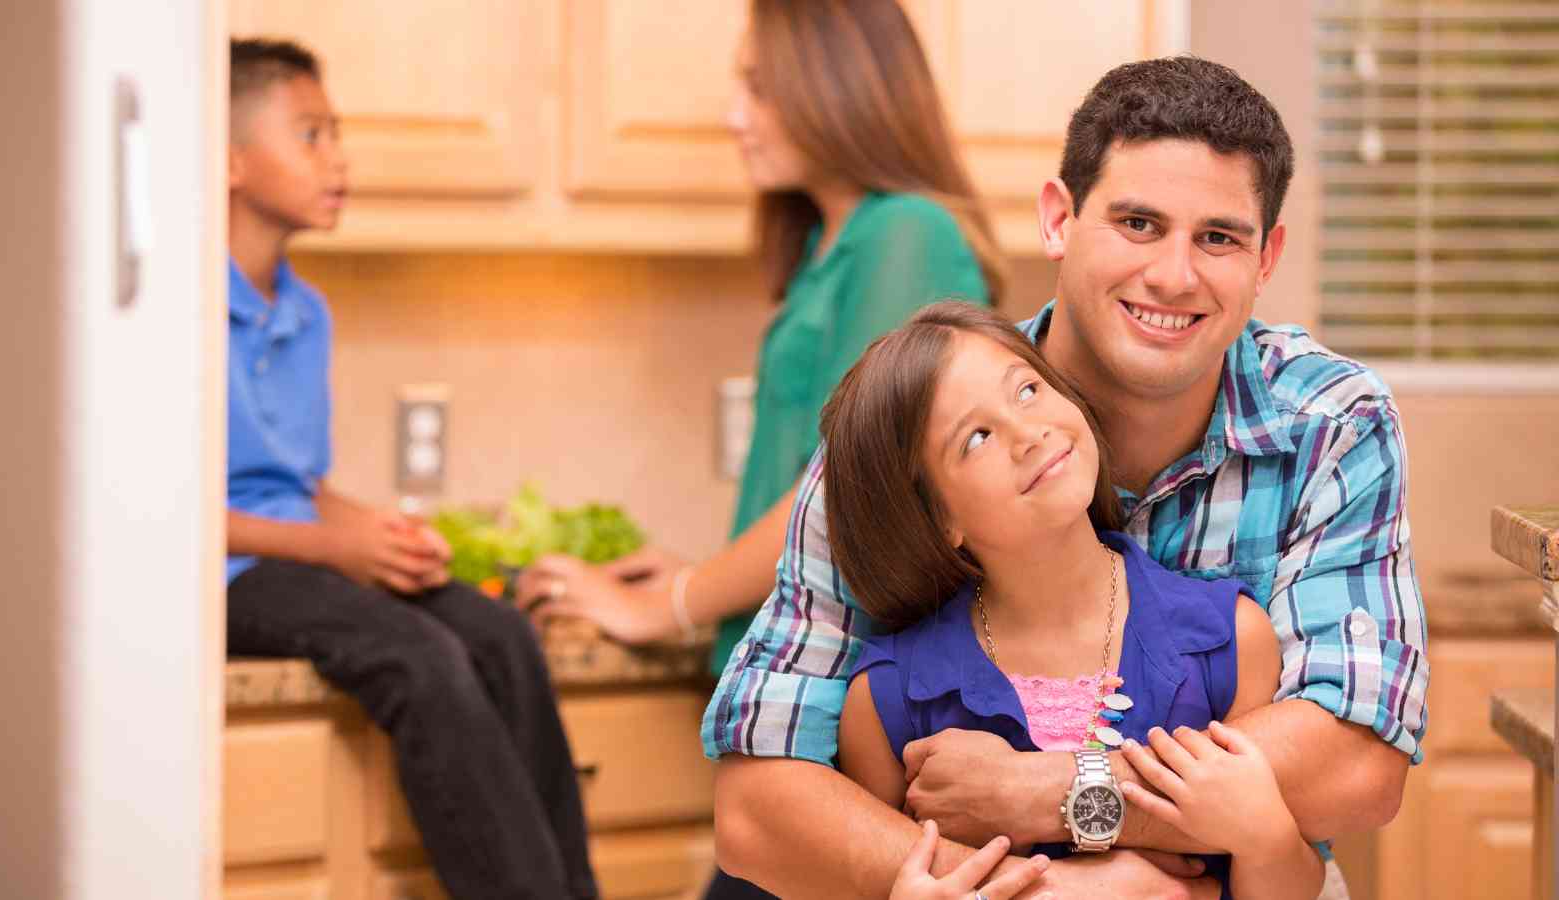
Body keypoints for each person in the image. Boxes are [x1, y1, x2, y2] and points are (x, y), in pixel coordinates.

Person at [703, 57, 1428, 899]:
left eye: (1219, 237)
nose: (1172, 276)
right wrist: (1046, 890)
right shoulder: (902, 431)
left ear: (1266, 258)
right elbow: (756, 806)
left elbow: (1357, 763)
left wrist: (1054, 792)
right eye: (1137, 223)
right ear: (1058, 219)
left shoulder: (1333, 421)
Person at [517, 6, 1002, 892]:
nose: (735, 115)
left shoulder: (905, 234)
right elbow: (815, 491)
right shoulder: (836, 244)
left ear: (841, 87)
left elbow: (856, 492)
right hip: (794, 710)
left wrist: (668, 603)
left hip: (852, 715)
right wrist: (710, 574)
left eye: (759, 86)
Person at [222, 39, 595, 900]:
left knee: (498, 634)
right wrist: (335, 552)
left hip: (293, 556)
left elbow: (297, 484)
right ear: (231, 163)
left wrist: (381, 536)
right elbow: (179, 510)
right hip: (224, 572)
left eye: (336, 133)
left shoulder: (304, 311)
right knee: (419, 656)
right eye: (311, 135)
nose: (339, 158)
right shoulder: (184, 307)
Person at [826, 302, 1325, 899]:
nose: (1027, 432)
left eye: (1028, 390)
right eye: (976, 438)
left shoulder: (1231, 640)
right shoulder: (886, 703)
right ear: (937, 519)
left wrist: (1265, 835)